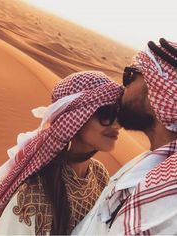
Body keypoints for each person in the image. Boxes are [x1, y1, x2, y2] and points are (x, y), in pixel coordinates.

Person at [0, 71, 123, 235]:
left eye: (119, 113)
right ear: (74, 117)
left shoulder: (100, 174)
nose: (117, 124)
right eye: (106, 113)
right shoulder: (32, 193)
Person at [72, 38, 177, 235]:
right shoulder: (151, 163)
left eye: (130, 76)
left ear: (153, 89)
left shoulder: (169, 202)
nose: (123, 89)